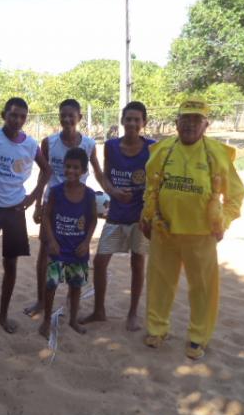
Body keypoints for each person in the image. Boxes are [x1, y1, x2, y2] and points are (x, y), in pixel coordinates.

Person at [140, 97, 244, 360]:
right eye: (185, 119)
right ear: (176, 123)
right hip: (164, 231)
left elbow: (236, 194)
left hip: (201, 236)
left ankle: (198, 338)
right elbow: (151, 187)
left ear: (205, 125)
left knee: (202, 289)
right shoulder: (162, 151)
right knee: (159, 283)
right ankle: (157, 329)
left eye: (196, 120)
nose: (189, 124)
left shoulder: (217, 154)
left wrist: (224, 221)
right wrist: (147, 215)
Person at [0, 97, 51, 333]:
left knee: (11, 264)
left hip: (15, 210)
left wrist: (33, 197)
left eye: (22, 116)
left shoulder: (31, 145)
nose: (17, 120)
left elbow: (46, 170)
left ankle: (2, 315)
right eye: (13, 114)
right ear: (4, 114)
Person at [24, 98, 108, 317]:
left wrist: (113, 193)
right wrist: (38, 205)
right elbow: (44, 173)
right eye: (63, 114)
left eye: (72, 115)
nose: (67, 119)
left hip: (78, 205)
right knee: (46, 251)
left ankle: (72, 299)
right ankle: (41, 300)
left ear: (80, 118)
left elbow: (98, 173)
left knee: (76, 251)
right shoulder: (49, 143)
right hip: (54, 202)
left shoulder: (88, 144)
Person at [80, 101, 156, 331]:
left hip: (140, 216)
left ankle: (132, 313)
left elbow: (156, 181)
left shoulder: (152, 148)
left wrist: (149, 211)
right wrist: (113, 192)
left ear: (144, 122)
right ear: (122, 121)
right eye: (128, 119)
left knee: (137, 261)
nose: (132, 123)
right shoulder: (111, 146)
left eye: (137, 119)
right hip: (116, 214)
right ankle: (99, 310)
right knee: (100, 261)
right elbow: (105, 176)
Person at [39, 148, 97, 338]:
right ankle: (46, 320)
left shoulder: (89, 194)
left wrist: (86, 242)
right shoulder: (56, 192)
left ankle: (73, 319)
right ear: (63, 167)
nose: (71, 171)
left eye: (76, 167)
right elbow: (46, 216)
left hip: (78, 250)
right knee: (51, 285)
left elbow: (93, 220)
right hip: (58, 248)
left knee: (76, 285)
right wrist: (51, 241)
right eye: (68, 166)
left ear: (83, 170)